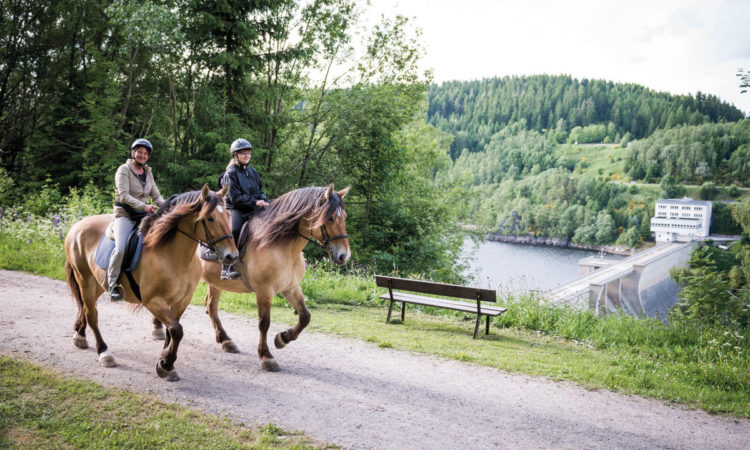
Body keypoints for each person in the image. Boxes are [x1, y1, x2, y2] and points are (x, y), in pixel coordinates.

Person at [107, 138, 165, 300]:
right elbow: (124, 195)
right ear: (133, 153)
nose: (142, 155)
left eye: (146, 153)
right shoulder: (123, 170)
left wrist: (168, 206)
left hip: (143, 216)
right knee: (121, 248)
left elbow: (156, 195)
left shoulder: (147, 172)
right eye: (139, 152)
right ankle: (112, 283)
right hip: (124, 215)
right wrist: (144, 206)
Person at [219, 138, 269, 279]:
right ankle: (226, 267)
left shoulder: (253, 172)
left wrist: (265, 202)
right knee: (234, 230)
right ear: (235, 155)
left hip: (253, 207)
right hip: (236, 209)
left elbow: (260, 191)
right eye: (242, 153)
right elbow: (235, 198)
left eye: (248, 152)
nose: (246, 155)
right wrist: (255, 202)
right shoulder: (230, 173)